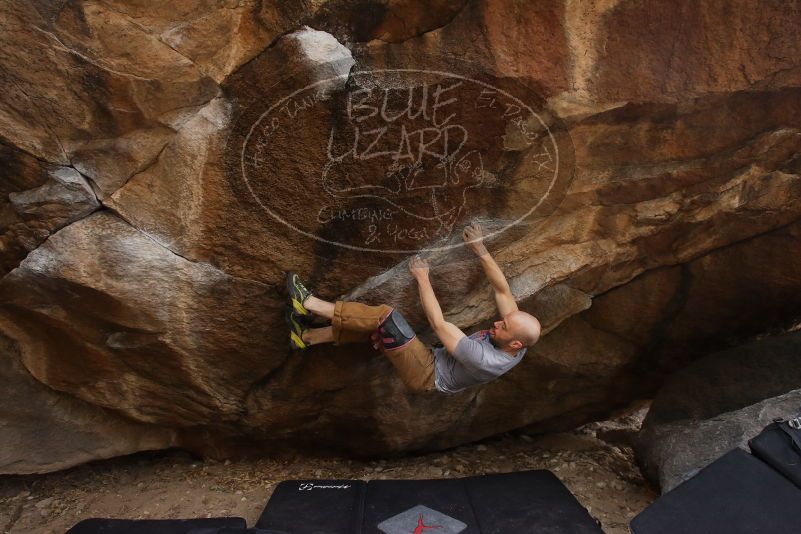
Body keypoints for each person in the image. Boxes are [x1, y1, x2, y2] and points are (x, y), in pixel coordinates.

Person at [285, 223, 541, 394]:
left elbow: (438, 323)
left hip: (427, 373)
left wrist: (422, 277)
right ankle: (306, 337)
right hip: (435, 357)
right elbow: (502, 291)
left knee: (386, 318)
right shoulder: (517, 336)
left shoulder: (484, 360)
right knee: (375, 329)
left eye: (503, 327)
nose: (497, 323)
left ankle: (309, 305)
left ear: (515, 344)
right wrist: (480, 249)